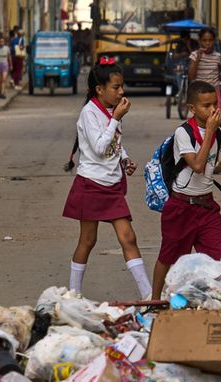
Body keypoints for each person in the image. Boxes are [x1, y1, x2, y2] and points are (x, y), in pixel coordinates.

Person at [150, 81, 221, 300]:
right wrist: (209, 131)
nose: (212, 110)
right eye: (206, 106)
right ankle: (154, 300)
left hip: (206, 208)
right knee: (168, 258)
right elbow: (198, 166)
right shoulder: (184, 133)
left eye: (214, 105)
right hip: (181, 206)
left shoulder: (219, 134)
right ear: (192, 108)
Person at [62, 59, 150, 299]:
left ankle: (148, 294)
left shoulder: (112, 111)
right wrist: (116, 119)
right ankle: (73, 293)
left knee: (128, 237)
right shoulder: (89, 113)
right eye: (115, 87)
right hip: (91, 183)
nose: (121, 92)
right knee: (87, 240)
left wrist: (125, 159)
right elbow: (100, 147)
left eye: (122, 86)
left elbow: (114, 144)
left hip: (111, 185)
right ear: (99, 89)